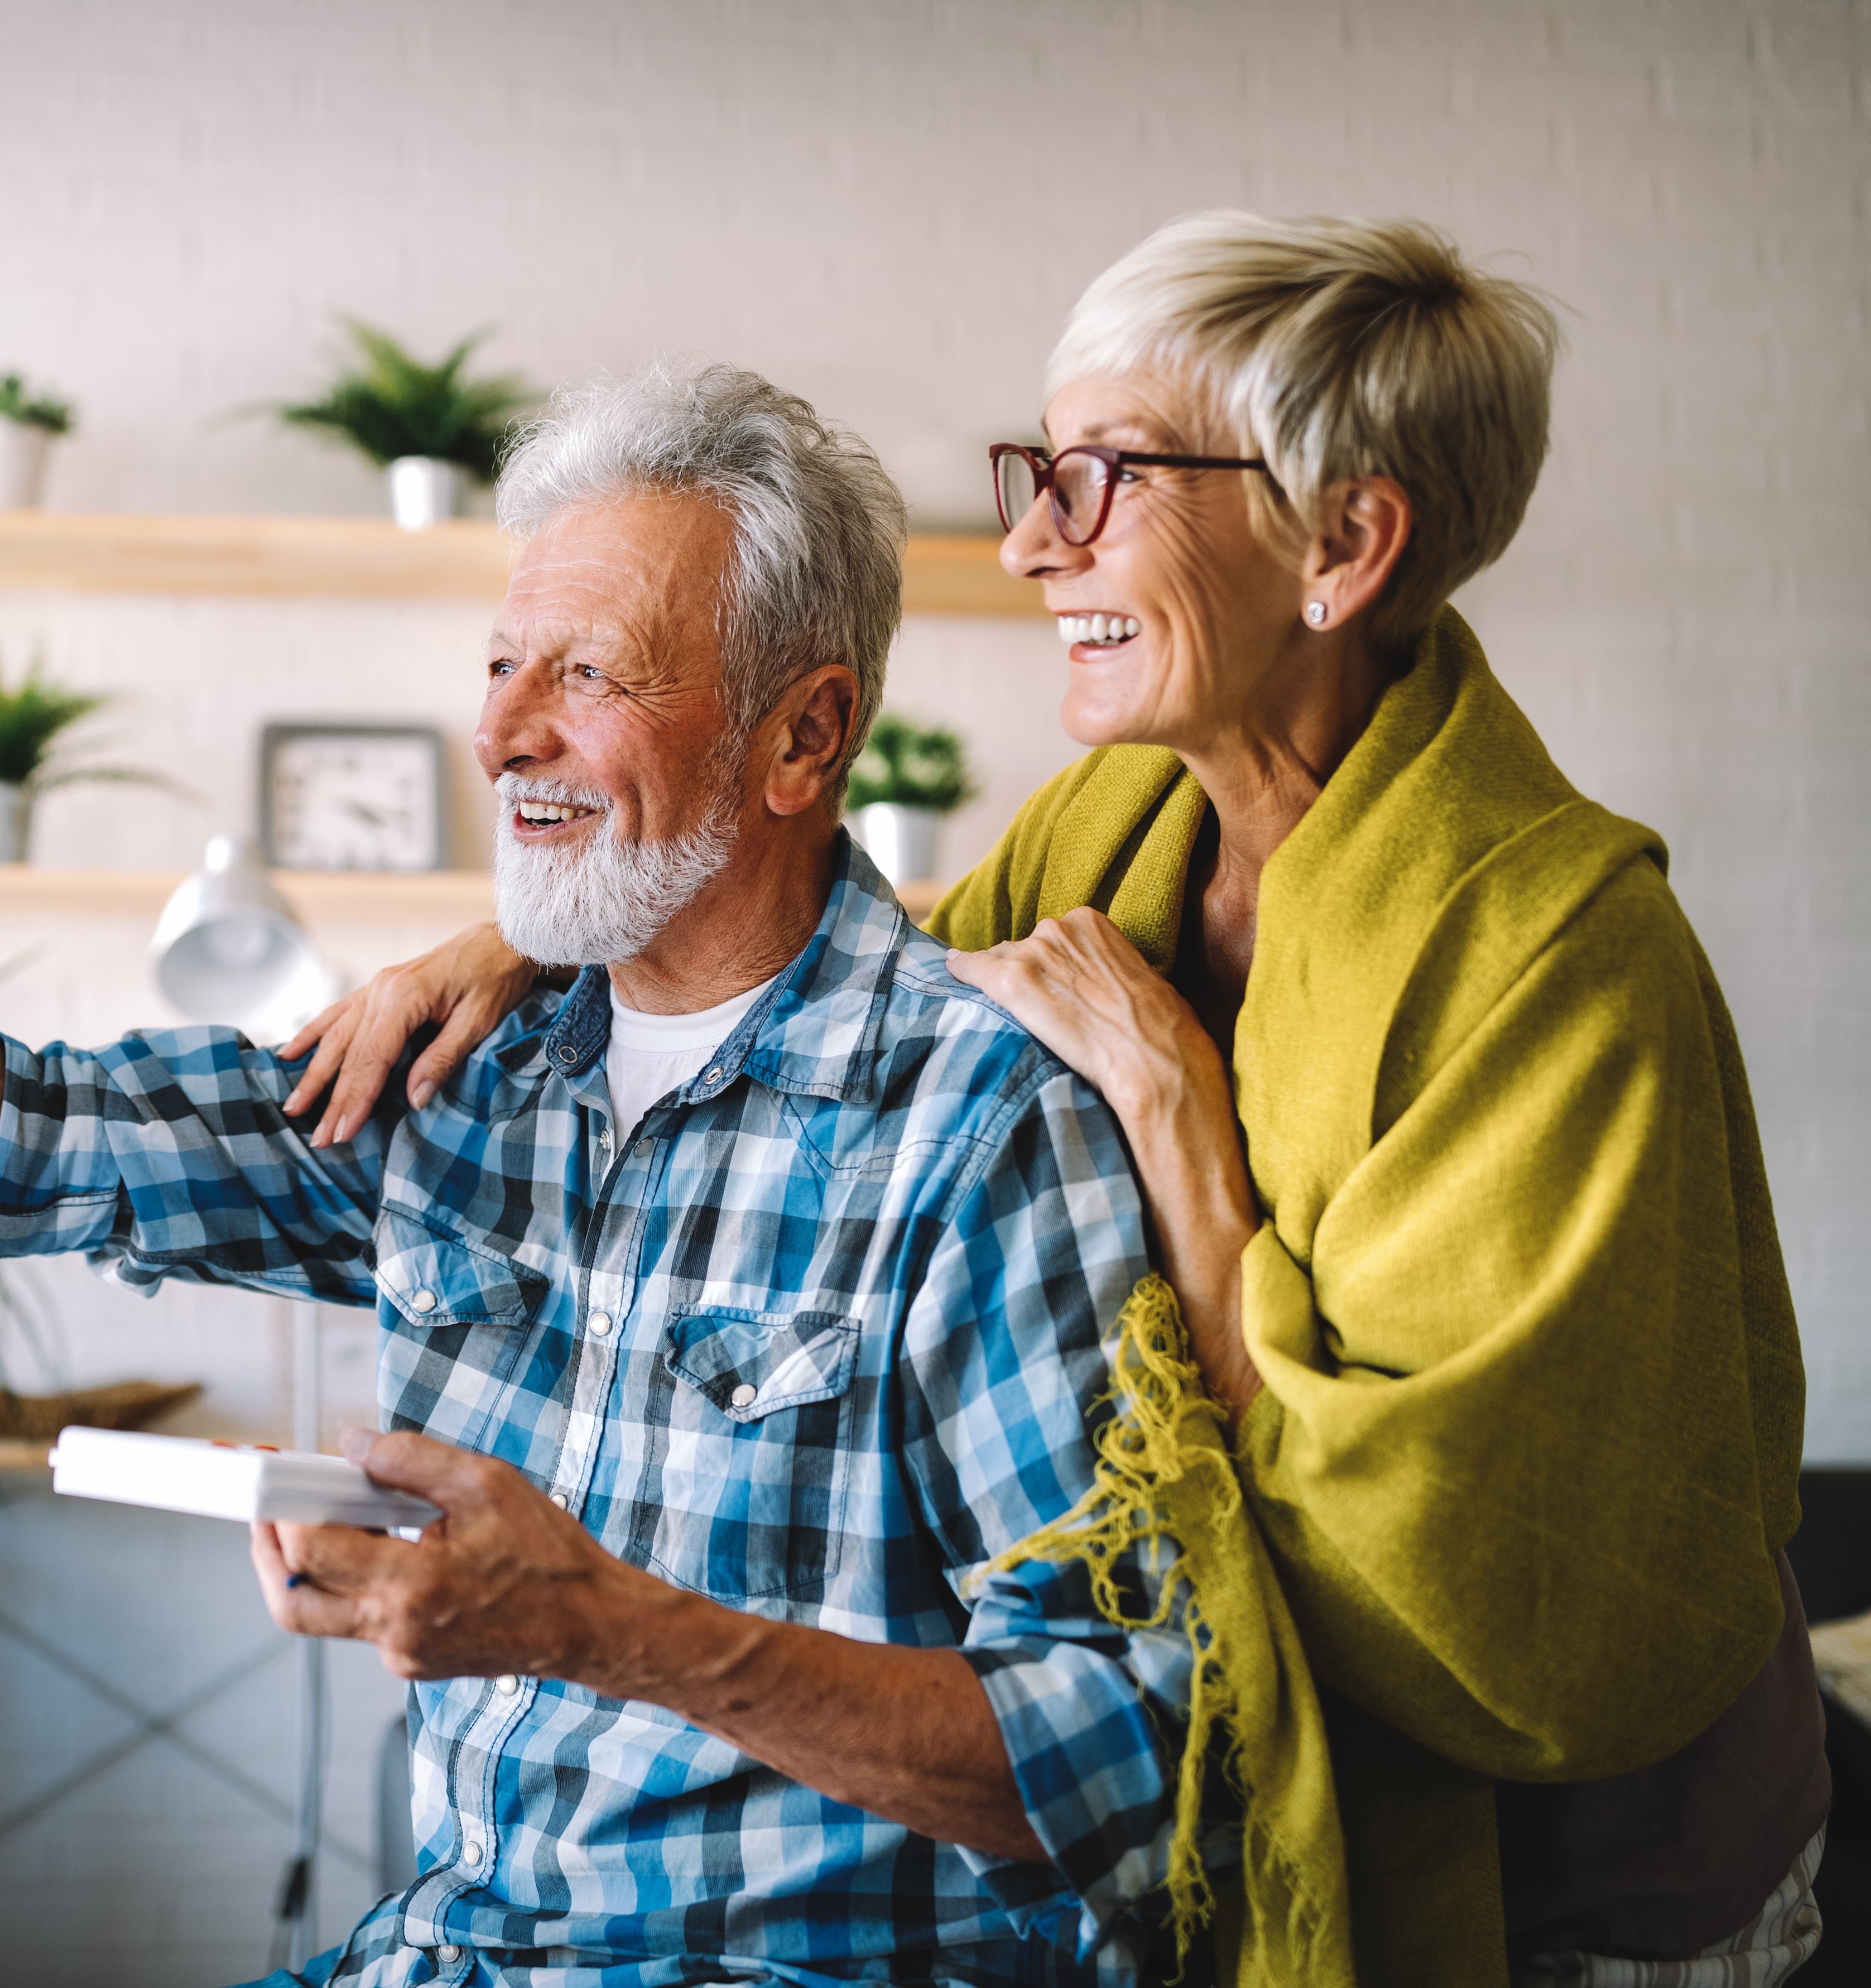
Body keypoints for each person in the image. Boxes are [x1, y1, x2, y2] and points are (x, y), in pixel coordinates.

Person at [0, 366, 1205, 1982]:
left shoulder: (977, 1125)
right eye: (503, 665)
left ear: (804, 736)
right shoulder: (472, 1069)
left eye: (590, 674)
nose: (504, 734)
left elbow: (1125, 1752)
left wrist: (614, 1632)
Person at [282, 215, 1825, 1988]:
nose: (1026, 544)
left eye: (1096, 480)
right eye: (1039, 476)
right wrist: (525, 939)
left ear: (1340, 543)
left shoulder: (1558, 958)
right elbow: (841, 961)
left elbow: (1477, 1582)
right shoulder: (1108, 833)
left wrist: (1185, 1140)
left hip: (1582, 1876)